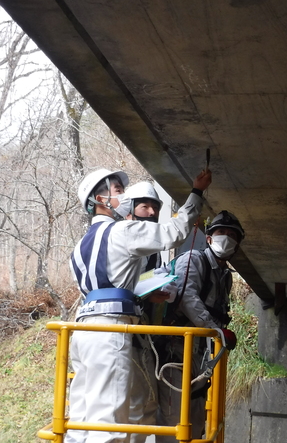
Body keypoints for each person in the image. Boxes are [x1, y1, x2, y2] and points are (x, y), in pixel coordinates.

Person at [66, 168, 211, 443]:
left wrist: (140, 296)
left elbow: (106, 286)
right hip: (112, 331)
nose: (125, 196)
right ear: (101, 198)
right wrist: (197, 192)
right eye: (119, 191)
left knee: (83, 419)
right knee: (110, 422)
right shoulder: (122, 230)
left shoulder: (79, 247)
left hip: (83, 330)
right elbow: (175, 231)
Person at [155, 211, 245, 443]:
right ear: (209, 238)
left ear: (237, 245)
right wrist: (216, 331)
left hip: (201, 355)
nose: (226, 238)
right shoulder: (193, 259)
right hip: (176, 353)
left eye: (232, 235)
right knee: (175, 420)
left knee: (196, 422)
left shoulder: (225, 275)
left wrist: (217, 333)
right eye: (221, 232)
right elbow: (188, 299)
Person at [124, 181, 166, 443]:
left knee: (146, 402)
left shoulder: (153, 252)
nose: (150, 212)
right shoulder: (118, 241)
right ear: (129, 211)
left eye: (154, 207)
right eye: (144, 206)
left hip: (142, 332)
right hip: (118, 331)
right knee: (123, 404)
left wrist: (152, 294)